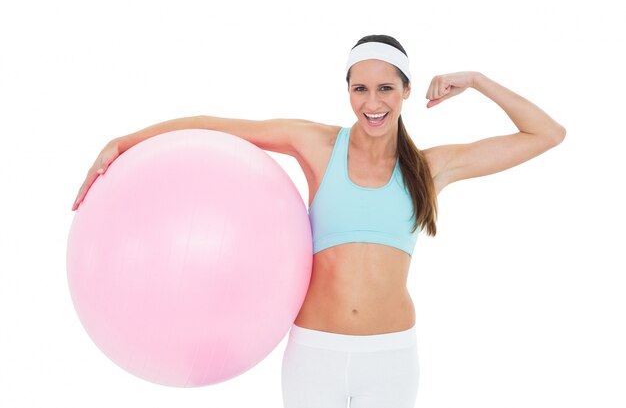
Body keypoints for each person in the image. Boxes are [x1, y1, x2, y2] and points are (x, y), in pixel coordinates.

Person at [72, 35, 565, 408]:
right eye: (361, 88)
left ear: (407, 91)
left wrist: (476, 79)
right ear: (348, 91)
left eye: (386, 88)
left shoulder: (432, 167)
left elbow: (547, 133)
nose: (373, 103)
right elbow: (217, 126)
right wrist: (125, 141)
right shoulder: (317, 145)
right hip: (315, 353)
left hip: (390, 357)